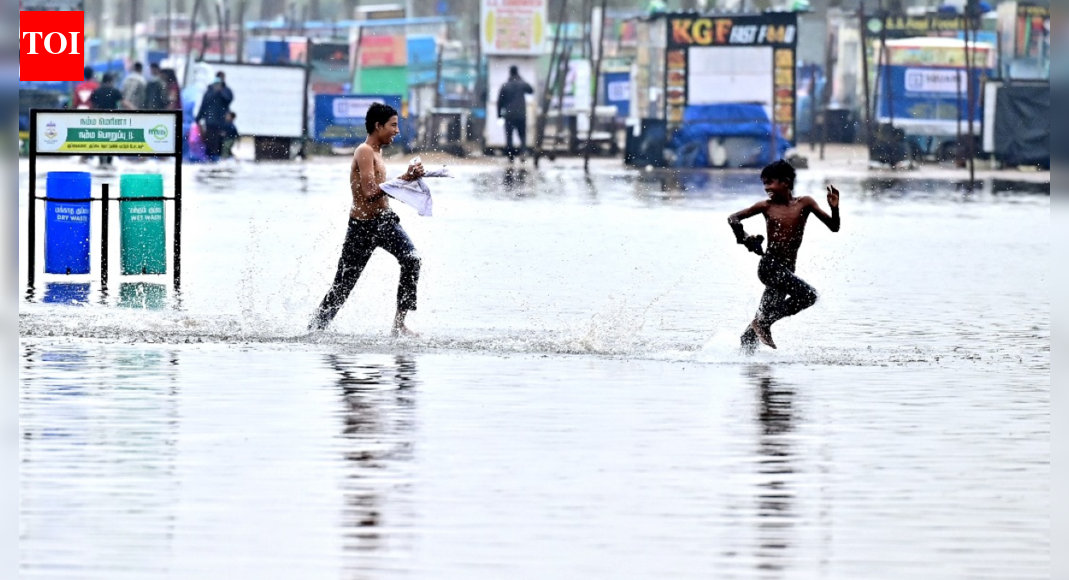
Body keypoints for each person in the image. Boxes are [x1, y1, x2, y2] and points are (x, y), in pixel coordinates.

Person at [310, 102, 425, 337]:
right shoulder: (364, 151)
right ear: (378, 125)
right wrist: (403, 179)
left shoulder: (378, 153)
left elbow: (383, 191)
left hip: (385, 222)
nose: (397, 131)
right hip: (362, 227)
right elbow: (370, 192)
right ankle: (313, 331)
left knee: (412, 259)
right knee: (342, 287)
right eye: (393, 125)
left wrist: (409, 180)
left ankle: (399, 325)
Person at [727, 160, 841, 352]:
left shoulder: (805, 203)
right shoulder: (766, 206)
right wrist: (746, 239)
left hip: (786, 271)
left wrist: (834, 208)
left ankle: (743, 357)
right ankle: (763, 323)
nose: (766, 188)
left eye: (770, 182)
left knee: (754, 331)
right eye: (764, 183)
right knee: (808, 296)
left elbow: (834, 227)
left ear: (786, 182)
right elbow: (733, 218)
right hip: (769, 267)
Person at [496, 65, 534, 163]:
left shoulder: (505, 85)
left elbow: (500, 102)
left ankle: (510, 156)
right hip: (521, 114)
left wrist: (499, 115)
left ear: (510, 73)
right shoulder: (522, 84)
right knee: (522, 135)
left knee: (509, 136)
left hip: (509, 115)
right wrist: (521, 79)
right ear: (517, 72)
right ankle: (523, 152)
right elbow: (531, 90)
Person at [195, 73, 234, 161]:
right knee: (210, 141)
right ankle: (211, 158)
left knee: (221, 141)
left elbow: (229, 99)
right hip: (211, 121)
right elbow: (204, 105)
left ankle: (219, 157)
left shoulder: (226, 90)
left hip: (222, 121)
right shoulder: (209, 91)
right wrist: (198, 118)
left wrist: (221, 91)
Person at [90, 73, 125, 167]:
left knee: (101, 140)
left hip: (99, 120)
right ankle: (109, 162)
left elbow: (92, 106)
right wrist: (136, 111)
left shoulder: (97, 91)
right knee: (111, 140)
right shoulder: (115, 91)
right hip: (112, 120)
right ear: (111, 81)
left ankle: (101, 162)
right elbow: (124, 103)